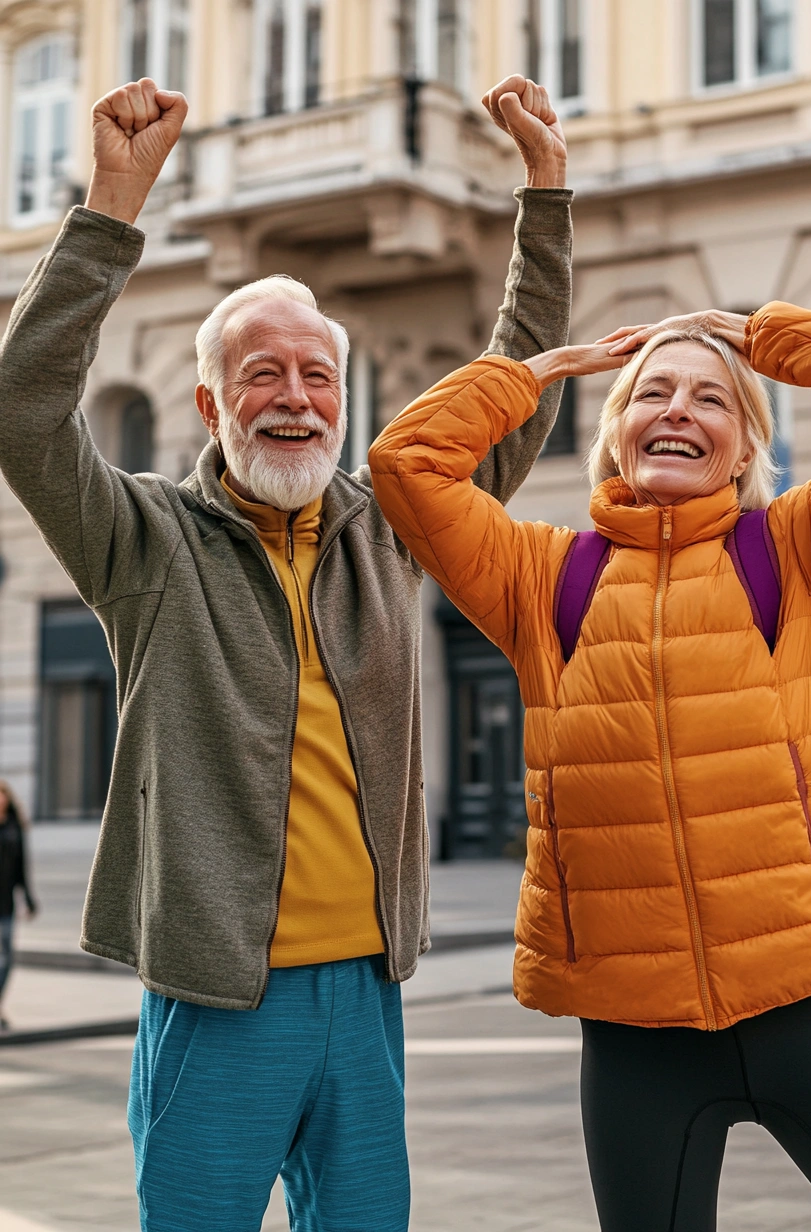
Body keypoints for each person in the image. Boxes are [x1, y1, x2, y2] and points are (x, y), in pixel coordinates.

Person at [0, 74, 573, 1231]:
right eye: (261, 372)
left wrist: (545, 196)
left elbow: (512, 394)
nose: (295, 398)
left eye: (318, 374)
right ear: (211, 406)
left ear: (345, 401)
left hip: (365, 997)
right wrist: (111, 207)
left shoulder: (392, 528)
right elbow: (20, 406)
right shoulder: (146, 542)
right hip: (218, 1004)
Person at [369, 304, 811, 1229]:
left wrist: (760, 335)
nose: (678, 409)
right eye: (651, 393)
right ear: (616, 436)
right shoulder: (542, 579)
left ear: (746, 449)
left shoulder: (794, 556)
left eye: (712, 399)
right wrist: (537, 370)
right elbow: (406, 464)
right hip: (636, 1040)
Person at [0, 780, 38, 1031]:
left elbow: (22, 866)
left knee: (7, 960)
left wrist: (29, 899)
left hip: (6, 905)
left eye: (2, 796)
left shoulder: (15, 827)